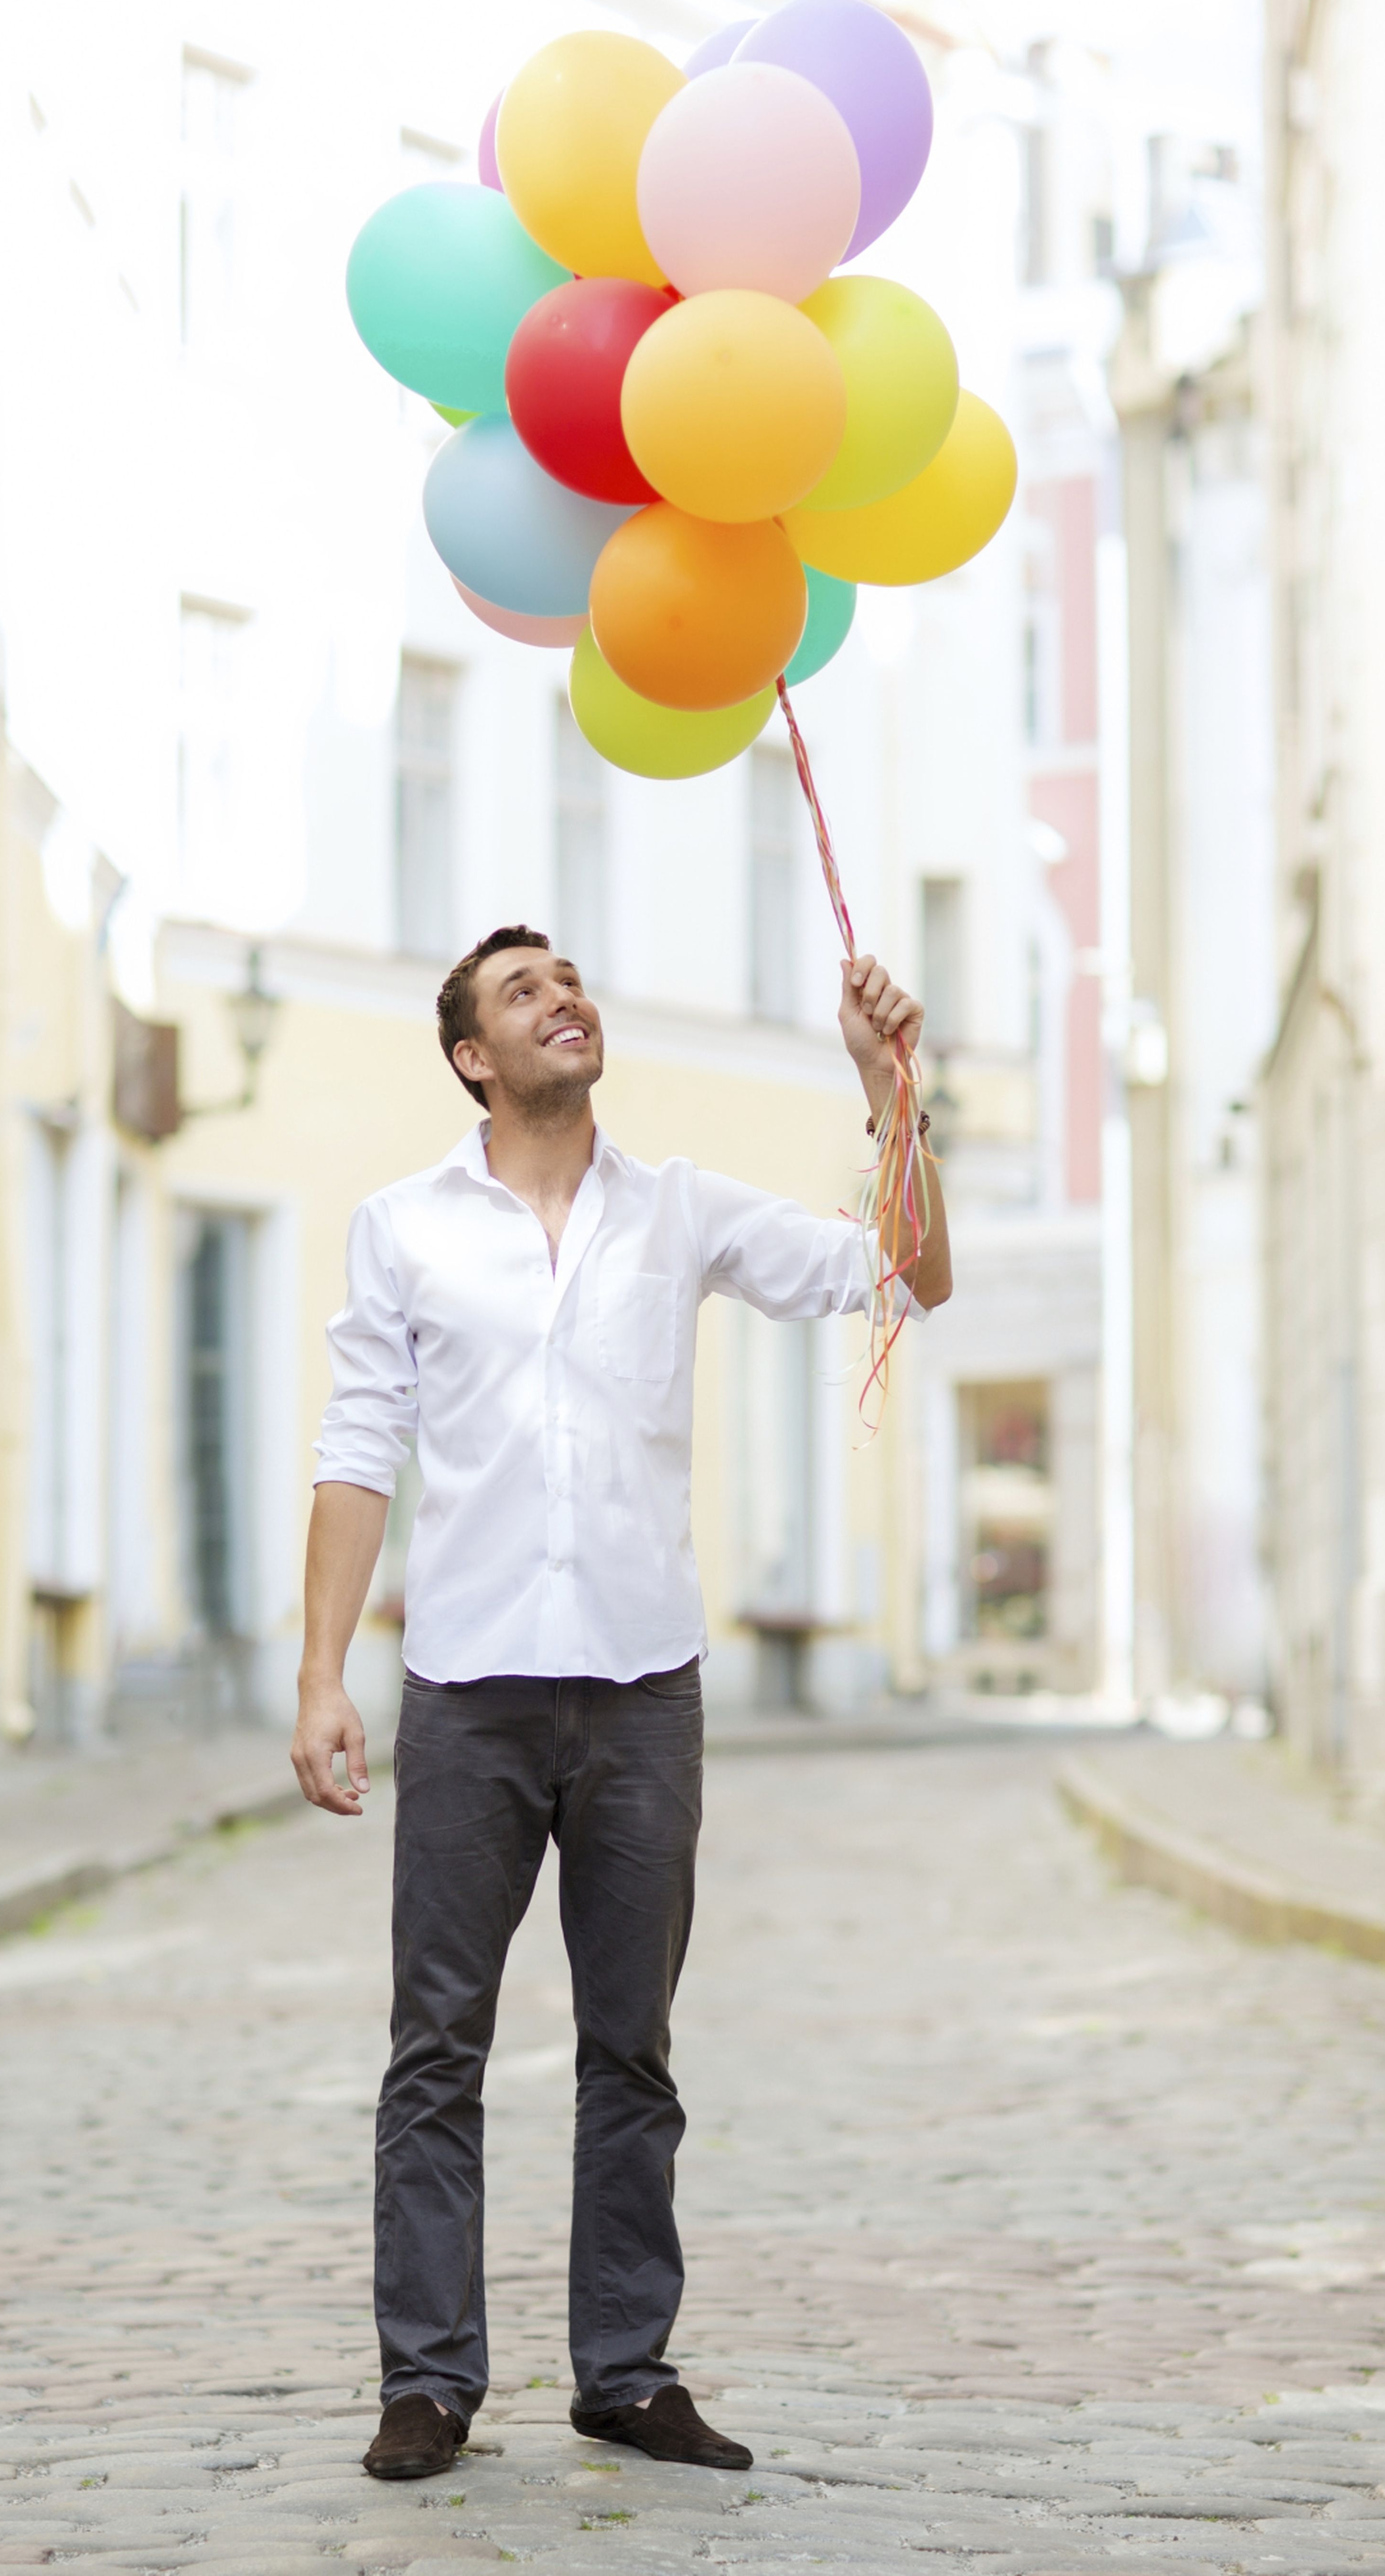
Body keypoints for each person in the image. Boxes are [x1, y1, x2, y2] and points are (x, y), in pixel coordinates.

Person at [291, 923, 951, 2485]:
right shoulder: (403, 1230)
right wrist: (324, 1673)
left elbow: (907, 1276)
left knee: (632, 2051)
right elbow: (358, 1446)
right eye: (525, 991)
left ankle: (624, 2372)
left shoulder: (680, 1212)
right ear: (473, 1056)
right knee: (435, 2048)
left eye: (570, 979)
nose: (563, 998)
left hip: (645, 1690)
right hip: (467, 1693)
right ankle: (430, 2383)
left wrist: (892, 1097)